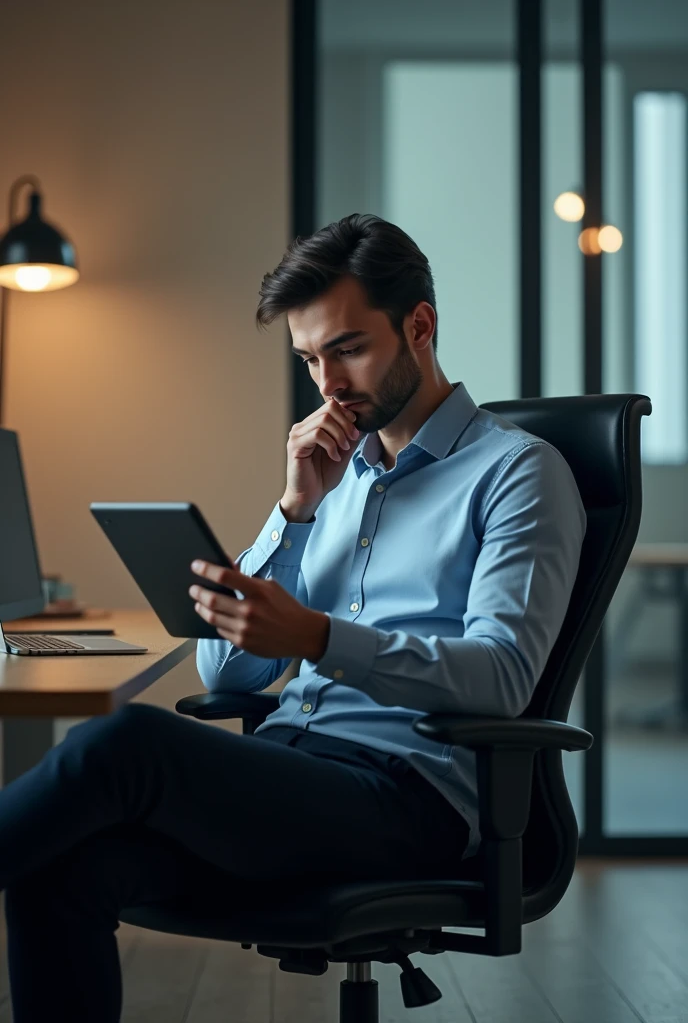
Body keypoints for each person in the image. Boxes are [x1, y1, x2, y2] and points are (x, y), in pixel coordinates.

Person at [1, 213, 586, 1021]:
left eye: (347, 349)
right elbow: (226, 673)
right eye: (311, 359)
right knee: (61, 868)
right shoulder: (336, 481)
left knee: (125, 740)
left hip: (405, 799)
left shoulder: (518, 474)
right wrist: (294, 509)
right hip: (294, 777)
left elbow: (503, 677)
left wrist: (314, 637)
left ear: (420, 325)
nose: (328, 383)